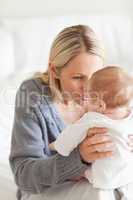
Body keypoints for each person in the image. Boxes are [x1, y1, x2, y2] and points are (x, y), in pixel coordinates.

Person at [9, 25, 133, 200]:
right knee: (101, 193)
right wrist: (80, 158)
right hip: (46, 188)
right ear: (54, 71)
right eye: (78, 77)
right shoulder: (32, 95)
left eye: (95, 75)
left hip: (102, 178)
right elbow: (24, 175)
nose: (89, 88)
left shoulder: (109, 88)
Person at [49, 66, 133, 199]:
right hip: (128, 173)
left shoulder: (92, 119)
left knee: (86, 174)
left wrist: (56, 146)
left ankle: (86, 175)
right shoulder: (129, 115)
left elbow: (70, 136)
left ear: (101, 105)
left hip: (105, 177)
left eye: (89, 97)